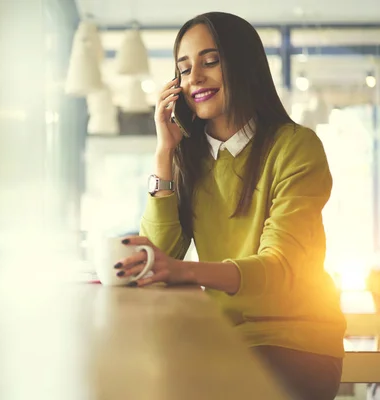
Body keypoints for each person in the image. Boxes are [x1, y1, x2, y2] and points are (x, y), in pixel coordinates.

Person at [113, 12, 346, 400]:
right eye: (184, 69)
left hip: (297, 343)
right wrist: (163, 152)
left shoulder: (295, 147)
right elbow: (161, 255)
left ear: (241, 63)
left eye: (210, 61)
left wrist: (181, 271)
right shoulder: (190, 157)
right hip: (224, 339)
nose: (195, 79)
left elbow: (280, 267)